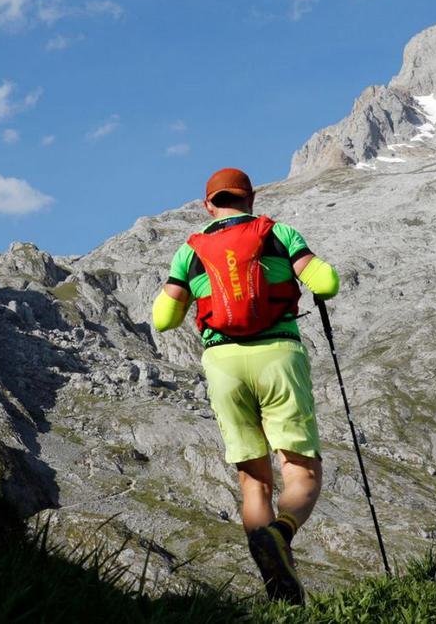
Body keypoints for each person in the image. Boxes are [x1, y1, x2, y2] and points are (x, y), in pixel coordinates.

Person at [151, 167, 339, 605]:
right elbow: (326, 282)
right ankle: (281, 532)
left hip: (223, 365)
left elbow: (164, 319)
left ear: (208, 205)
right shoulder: (280, 233)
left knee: (254, 483)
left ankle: (278, 591)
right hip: (278, 356)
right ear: (251, 199)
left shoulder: (189, 251)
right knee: (301, 470)